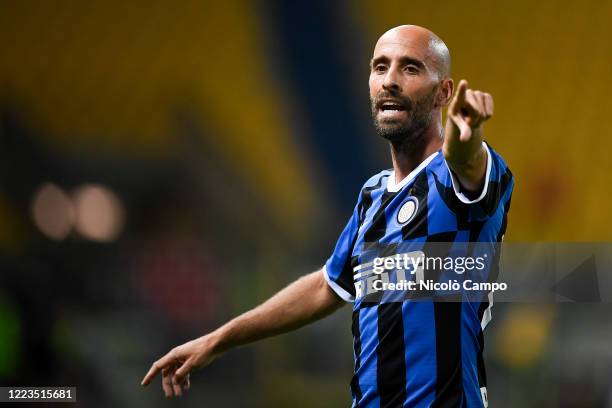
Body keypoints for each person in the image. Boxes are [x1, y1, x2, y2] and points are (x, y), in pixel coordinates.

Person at [141, 24, 514, 407]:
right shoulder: (373, 195)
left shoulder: (461, 178)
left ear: (444, 93)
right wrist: (219, 339)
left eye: (410, 68)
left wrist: (468, 134)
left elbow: (469, 163)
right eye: (380, 67)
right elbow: (326, 286)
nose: (389, 81)